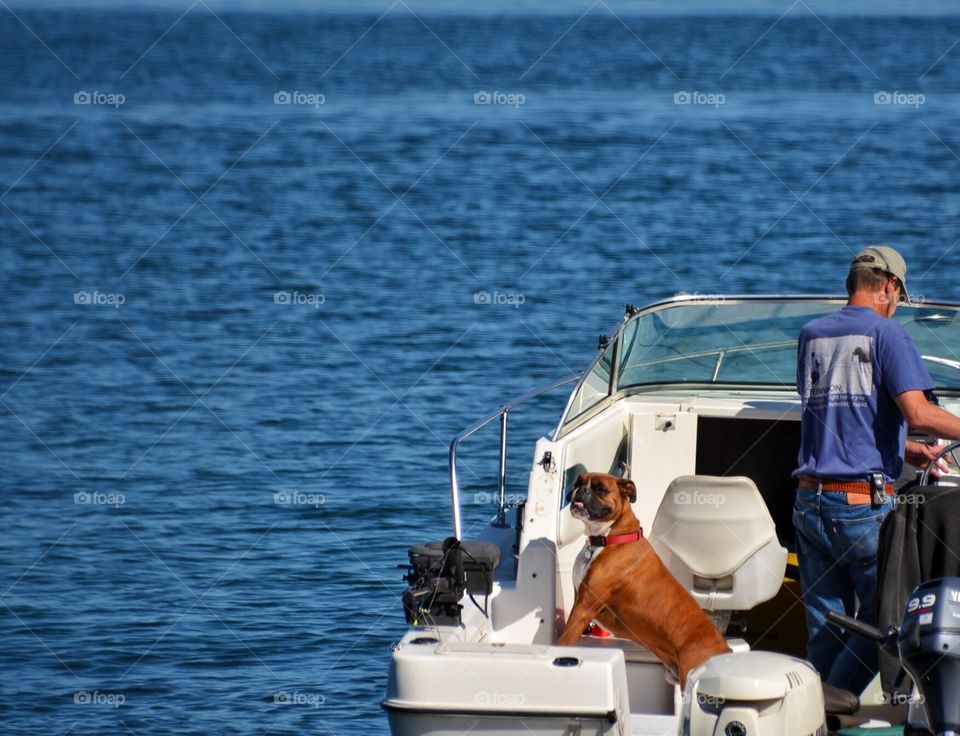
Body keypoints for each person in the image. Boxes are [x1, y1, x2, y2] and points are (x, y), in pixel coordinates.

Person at [792, 245, 960, 694]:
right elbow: (920, 413)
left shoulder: (812, 335)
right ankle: (837, 702)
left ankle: (813, 713)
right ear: (889, 286)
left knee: (826, 629)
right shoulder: (888, 335)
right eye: (899, 296)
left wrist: (903, 450)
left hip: (809, 502)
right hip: (860, 507)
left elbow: (836, 419)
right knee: (892, 622)